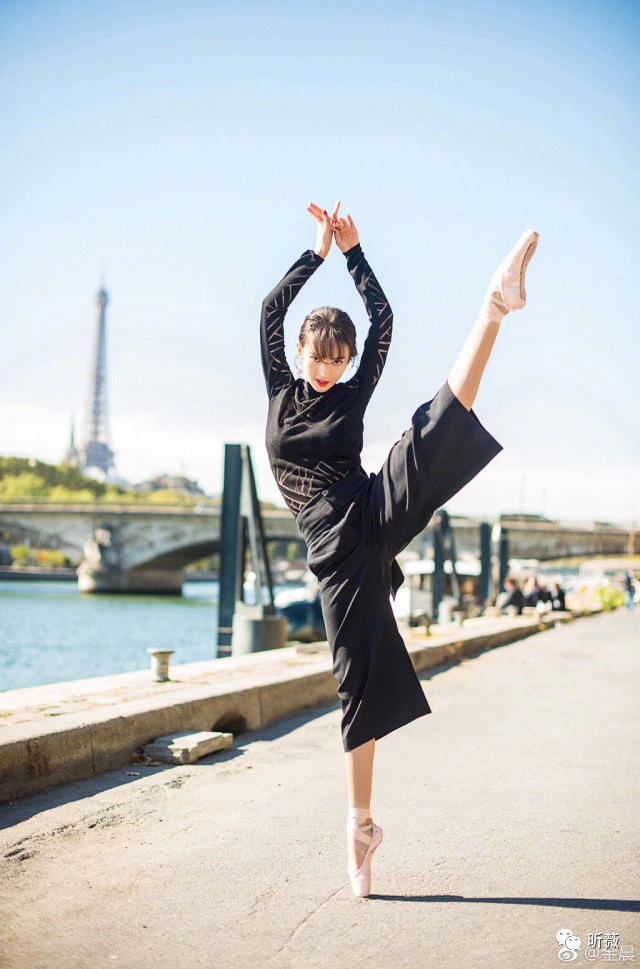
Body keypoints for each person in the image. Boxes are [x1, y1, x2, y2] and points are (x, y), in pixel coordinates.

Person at [260, 200, 539, 897]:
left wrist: (357, 255)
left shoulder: (352, 395)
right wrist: (318, 253)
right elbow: (270, 309)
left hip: (370, 511)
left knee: (433, 430)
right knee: (354, 683)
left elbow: (383, 318)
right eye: (315, 357)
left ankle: (494, 305)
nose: (325, 369)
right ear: (298, 352)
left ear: (348, 361)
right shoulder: (280, 389)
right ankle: (361, 826)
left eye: (337, 360)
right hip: (334, 554)